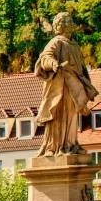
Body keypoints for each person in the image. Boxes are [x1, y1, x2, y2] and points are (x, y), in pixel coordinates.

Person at [32, 11, 97, 157]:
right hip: (60, 86)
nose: (68, 24)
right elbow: (45, 57)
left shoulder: (74, 45)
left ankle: (70, 144)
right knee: (58, 115)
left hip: (74, 87)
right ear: (58, 26)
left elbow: (81, 68)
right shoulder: (56, 42)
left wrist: (87, 86)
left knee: (72, 116)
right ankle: (54, 146)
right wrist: (54, 64)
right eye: (64, 21)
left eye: (69, 21)